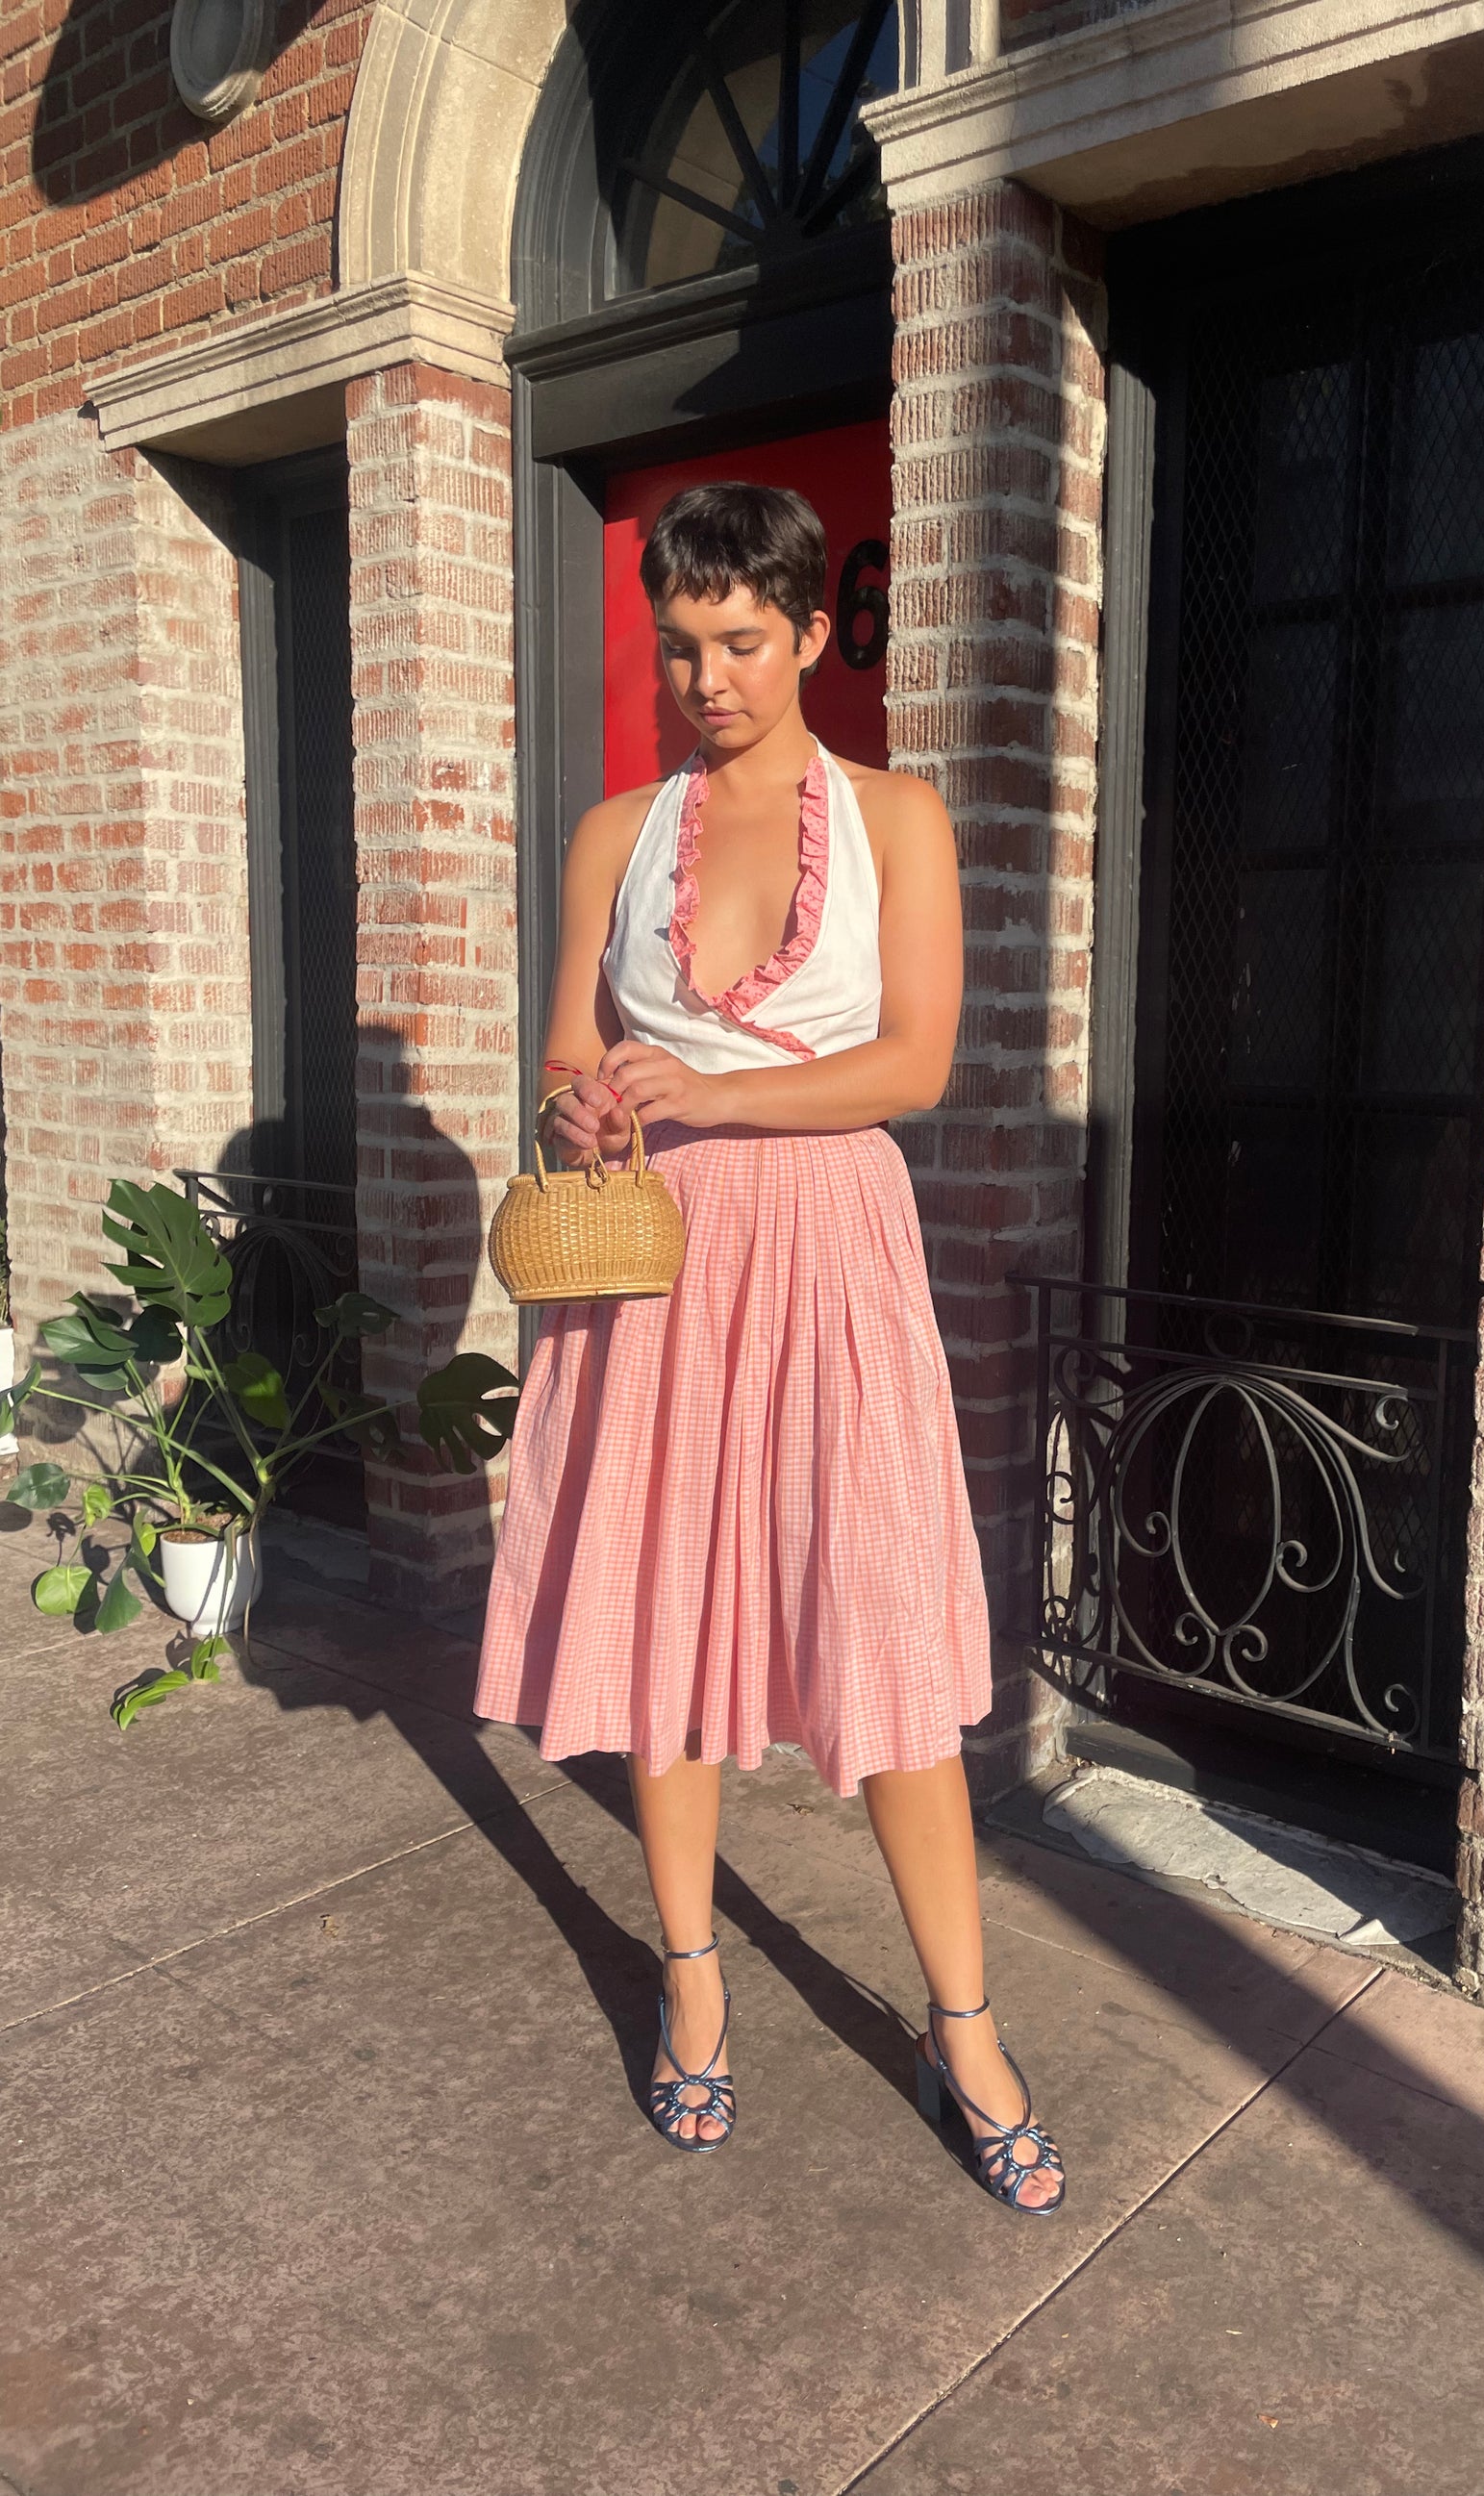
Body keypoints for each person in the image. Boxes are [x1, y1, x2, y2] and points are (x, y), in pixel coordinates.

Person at [474, 483, 1065, 2216]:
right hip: (652, 1269)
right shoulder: (610, 836)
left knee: (873, 1640)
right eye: (679, 642)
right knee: (665, 1630)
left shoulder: (897, 818)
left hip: (829, 1255)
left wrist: (720, 1089)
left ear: (814, 633)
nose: (706, 675)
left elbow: (913, 1064)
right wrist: (586, 1111)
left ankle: (960, 2025)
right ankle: (694, 1977)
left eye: (741, 640)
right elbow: (566, 1056)